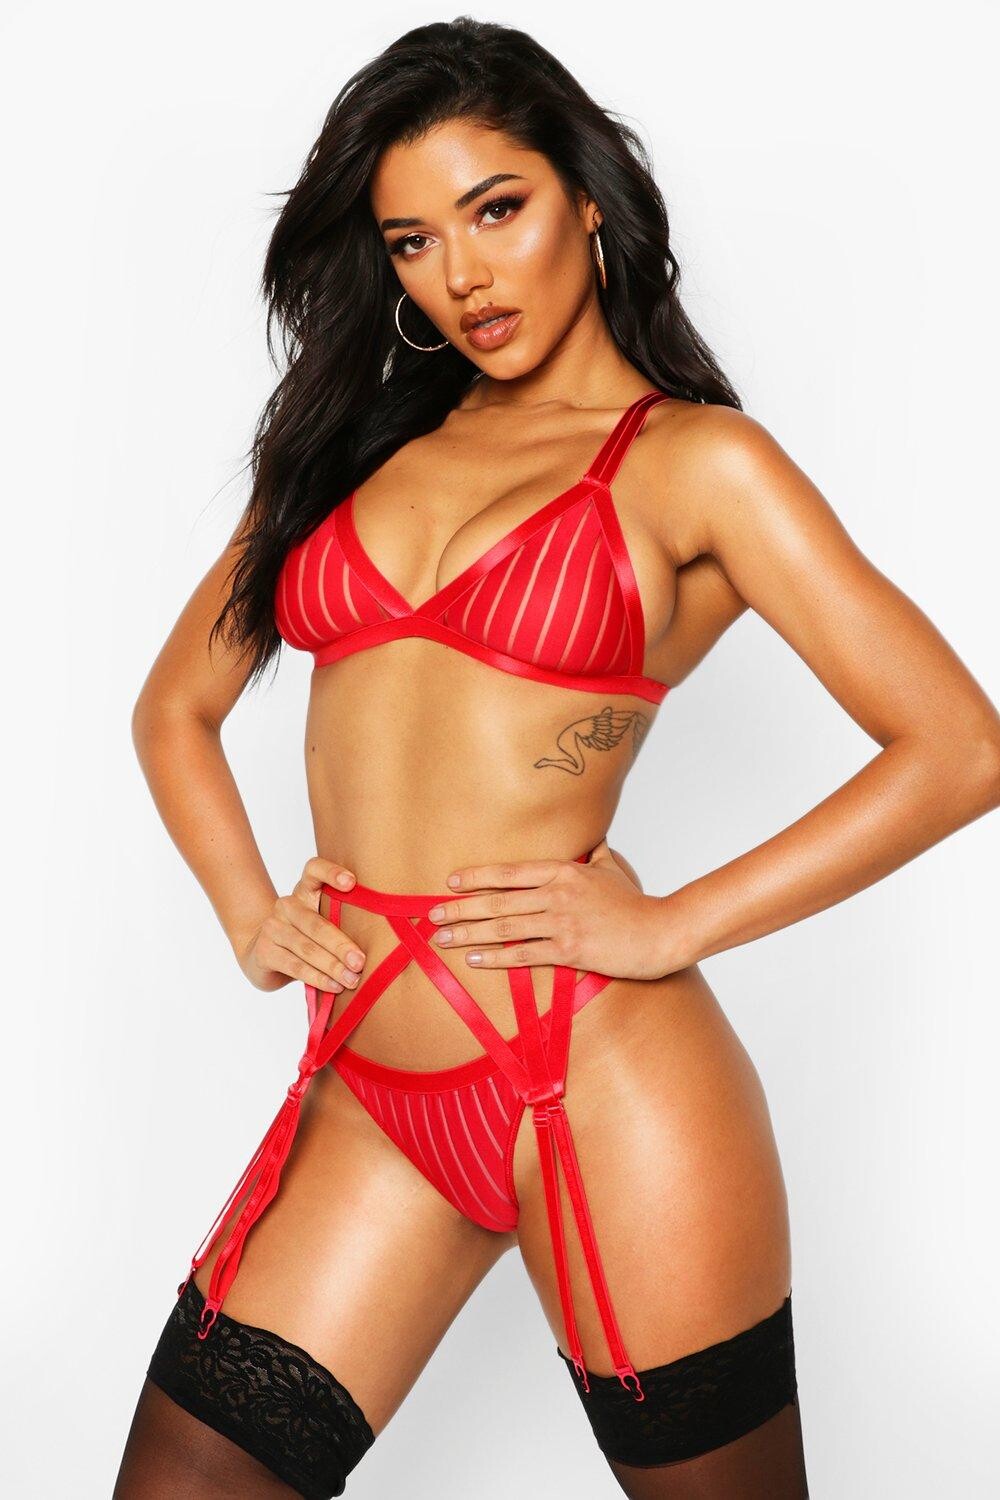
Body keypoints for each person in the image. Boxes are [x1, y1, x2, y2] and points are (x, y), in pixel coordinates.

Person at [113, 17, 1000, 1500]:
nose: (460, 274)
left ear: (588, 198)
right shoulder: (348, 448)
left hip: (602, 1082)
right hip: (368, 1087)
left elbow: (959, 746)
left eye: (496, 209)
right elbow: (172, 709)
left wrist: (670, 923)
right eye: (412, 241)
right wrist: (248, 911)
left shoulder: (698, 463)